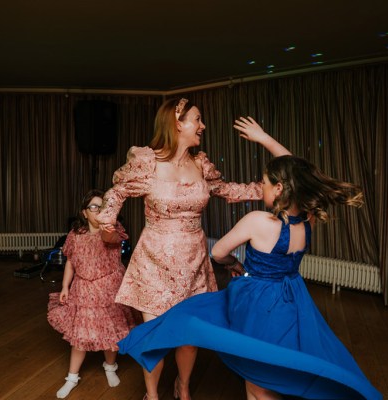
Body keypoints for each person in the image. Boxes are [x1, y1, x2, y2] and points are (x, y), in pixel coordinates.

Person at [118, 155, 383, 400]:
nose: (262, 189)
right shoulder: (308, 220)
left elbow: (219, 251)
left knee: (257, 377)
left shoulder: (258, 221)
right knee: (272, 366)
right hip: (292, 299)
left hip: (258, 301)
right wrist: (267, 140)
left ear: (279, 188)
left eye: (265, 183)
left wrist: (233, 263)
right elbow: (297, 169)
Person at [96, 97, 290, 400]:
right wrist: (107, 221)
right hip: (154, 262)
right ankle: (152, 394)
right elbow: (117, 191)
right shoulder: (147, 162)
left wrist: (270, 189)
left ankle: (182, 387)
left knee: (189, 337)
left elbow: (228, 190)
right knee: (156, 336)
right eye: (197, 119)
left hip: (194, 260)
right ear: (177, 122)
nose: (202, 126)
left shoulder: (201, 164)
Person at [47, 189, 138, 399]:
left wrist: (109, 222)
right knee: (79, 336)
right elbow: (70, 262)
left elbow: (113, 238)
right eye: (93, 207)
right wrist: (64, 287)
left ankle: (110, 366)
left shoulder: (113, 230)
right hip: (84, 289)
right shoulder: (75, 236)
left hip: (109, 288)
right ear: (84, 213)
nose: (98, 211)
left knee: (110, 333)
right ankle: (72, 377)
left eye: (102, 207)